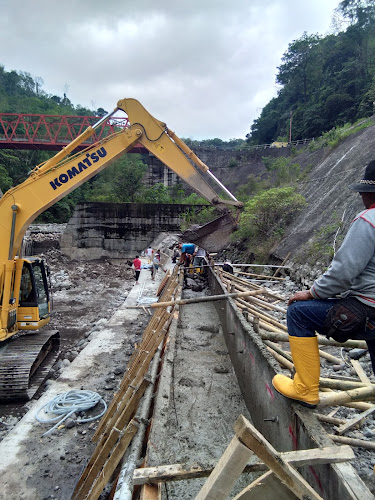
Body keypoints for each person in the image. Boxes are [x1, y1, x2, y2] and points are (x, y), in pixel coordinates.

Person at [272, 160, 375, 409]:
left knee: (298, 313)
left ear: (368, 193)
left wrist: (312, 292)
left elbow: (343, 272)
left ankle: (305, 389)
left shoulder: (368, 220)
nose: (361, 195)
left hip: (369, 309)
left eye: (363, 191)